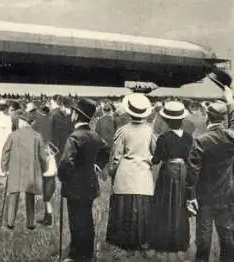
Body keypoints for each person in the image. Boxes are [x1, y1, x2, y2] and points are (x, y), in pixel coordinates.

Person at [186, 86, 234, 262]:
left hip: (205, 197)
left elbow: (193, 172)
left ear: (207, 118)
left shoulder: (201, 141)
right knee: (226, 238)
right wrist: (230, 100)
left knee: (203, 240)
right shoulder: (233, 137)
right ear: (224, 119)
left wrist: (190, 197)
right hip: (227, 195)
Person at [58, 98, 110, 262]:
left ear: (76, 115)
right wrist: (98, 166)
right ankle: (86, 252)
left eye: (73, 112)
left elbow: (66, 161)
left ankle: (77, 254)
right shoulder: (95, 136)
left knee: (76, 220)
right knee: (86, 218)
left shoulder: (74, 137)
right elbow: (106, 150)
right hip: (90, 184)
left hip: (75, 186)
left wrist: (63, 175)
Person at [106, 93, 156, 255]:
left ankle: (123, 241)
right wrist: (147, 159)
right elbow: (155, 154)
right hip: (143, 174)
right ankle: (141, 241)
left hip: (125, 174)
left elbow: (116, 156)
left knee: (123, 207)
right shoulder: (150, 131)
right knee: (141, 208)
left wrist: (112, 172)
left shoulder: (123, 131)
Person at [148, 101, 192, 260]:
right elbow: (189, 158)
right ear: (182, 120)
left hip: (168, 172)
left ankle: (163, 240)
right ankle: (179, 240)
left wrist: (148, 158)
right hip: (183, 173)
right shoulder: (188, 138)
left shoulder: (164, 138)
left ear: (167, 121)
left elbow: (156, 159)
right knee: (180, 204)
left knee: (165, 204)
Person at [1, 110, 47, 230]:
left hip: (15, 169)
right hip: (31, 170)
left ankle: (10, 222)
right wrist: (44, 169)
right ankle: (30, 223)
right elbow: (43, 156)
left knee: (13, 194)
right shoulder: (37, 136)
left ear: (22, 121)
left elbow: (6, 152)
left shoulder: (13, 135)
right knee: (30, 195)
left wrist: (4, 168)